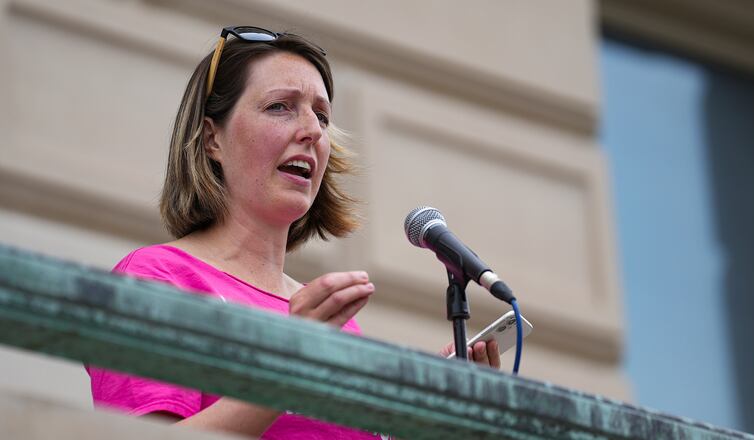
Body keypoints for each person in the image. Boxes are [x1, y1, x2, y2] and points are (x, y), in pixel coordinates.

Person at [87, 26, 500, 439]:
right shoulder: (157, 277)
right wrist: (286, 363)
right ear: (212, 138)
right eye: (280, 107)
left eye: (322, 115)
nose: (313, 131)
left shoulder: (330, 318)